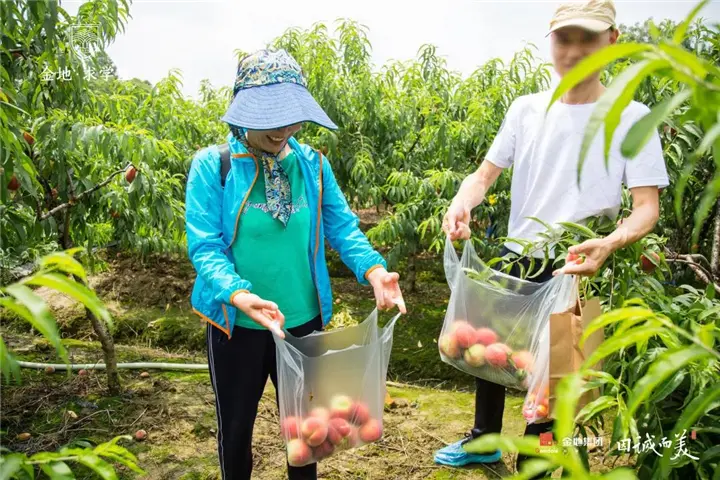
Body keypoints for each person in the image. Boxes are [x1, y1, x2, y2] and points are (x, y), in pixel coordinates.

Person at [435, 0, 669, 476]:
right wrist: (463, 202)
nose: (576, 50)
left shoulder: (631, 117)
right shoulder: (526, 110)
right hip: (517, 255)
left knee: (552, 386)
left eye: (589, 38)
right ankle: (483, 440)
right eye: (566, 38)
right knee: (491, 355)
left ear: (612, 42)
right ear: (551, 41)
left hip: (579, 264)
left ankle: (532, 466)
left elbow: (647, 207)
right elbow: (483, 175)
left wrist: (610, 243)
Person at [185, 49, 407, 480]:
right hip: (238, 326)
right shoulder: (214, 167)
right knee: (235, 432)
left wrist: (375, 271)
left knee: (307, 437)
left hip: (301, 325)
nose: (284, 129)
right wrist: (239, 293)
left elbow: (343, 230)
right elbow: (205, 247)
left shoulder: (314, 166)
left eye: (291, 116)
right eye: (271, 117)